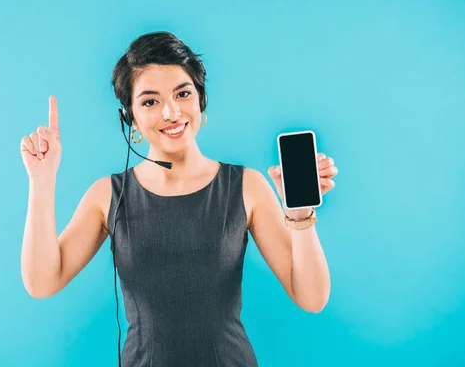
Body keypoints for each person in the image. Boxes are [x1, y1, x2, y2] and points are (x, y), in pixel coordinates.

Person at [20, 32, 337, 367]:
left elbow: (312, 298)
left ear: (201, 101)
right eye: (150, 101)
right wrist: (42, 180)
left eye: (182, 93)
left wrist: (300, 215)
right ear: (131, 119)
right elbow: (43, 282)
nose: (171, 112)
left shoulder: (247, 186)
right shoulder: (108, 196)